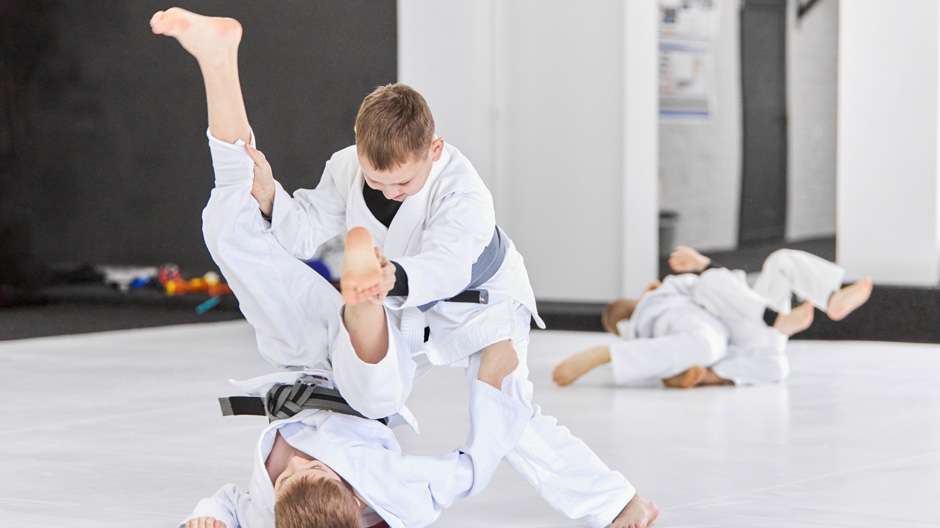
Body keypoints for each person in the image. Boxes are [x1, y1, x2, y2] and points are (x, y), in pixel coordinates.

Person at [150, 8, 655, 527]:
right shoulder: (346, 166)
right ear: (358, 146)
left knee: (508, 421)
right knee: (236, 227)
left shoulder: (463, 191)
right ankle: (219, 61)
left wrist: (392, 278)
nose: (389, 192)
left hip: (481, 304)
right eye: (377, 181)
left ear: (434, 150)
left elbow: (449, 265)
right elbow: (303, 229)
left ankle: (620, 504)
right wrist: (270, 196)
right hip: (394, 301)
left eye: (404, 184)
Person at [553, 247, 873, 389]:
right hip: (738, 329)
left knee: (778, 263)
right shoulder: (658, 314)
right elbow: (719, 283)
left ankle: (830, 298)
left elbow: (725, 284)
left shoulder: (673, 293)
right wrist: (702, 265)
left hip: (747, 318)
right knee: (771, 364)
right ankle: (711, 372)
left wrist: (702, 266)